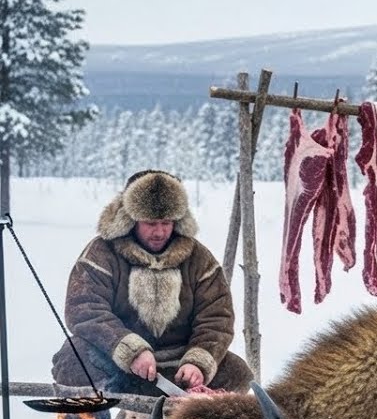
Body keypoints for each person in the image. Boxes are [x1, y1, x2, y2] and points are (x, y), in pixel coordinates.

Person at [50, 169, 252, 397]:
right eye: (150, 223)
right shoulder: (101, 253)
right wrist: (130, 350)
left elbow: (217, 318)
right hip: (115, 361)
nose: (159, 232)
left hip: (179, 364)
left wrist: (197, 361)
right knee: (73, 359)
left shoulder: (199, 258)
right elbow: (85, 310)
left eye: (166, 222)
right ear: (131, 220)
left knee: (237, 372)